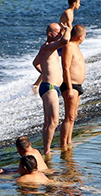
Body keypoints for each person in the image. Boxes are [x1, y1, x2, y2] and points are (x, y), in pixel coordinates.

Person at [32, 23, 71, 155]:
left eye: (61, 32)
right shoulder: (48, 47)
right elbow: (65, 40)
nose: (60, 34)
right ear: (50, 34)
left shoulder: (49, 49)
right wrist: (68, 30)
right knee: (53, 121)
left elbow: (35, 62)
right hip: (49, 87)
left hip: (51, 87)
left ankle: (46, 149)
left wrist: (44, 72)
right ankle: (47, 151)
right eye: (58, 32)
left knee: (49, 121)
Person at [60, 24, 86, 149]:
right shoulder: (69, 46)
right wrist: (69, 88)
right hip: (70, 85)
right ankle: (63, 144)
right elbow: (65, 68)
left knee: (73, 116)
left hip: (78, 85)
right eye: (84, 36)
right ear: (80, 36)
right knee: (68, 116)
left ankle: (69, 141)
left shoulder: (77, 47)